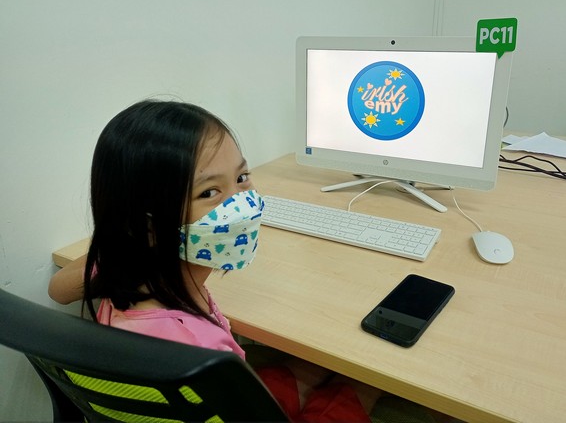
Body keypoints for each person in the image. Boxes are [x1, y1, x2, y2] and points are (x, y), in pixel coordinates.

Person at [48, 99, 381, 422]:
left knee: (313, 368)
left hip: (202, 399)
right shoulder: (201, 354)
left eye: (241, 177)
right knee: (364, 381)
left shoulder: (124, 270)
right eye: (209, 193)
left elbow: (57, 290)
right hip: (220, 401)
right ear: (148, 226)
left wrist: (124, 239)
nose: (242, 206)